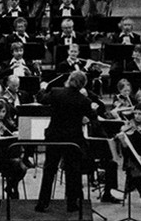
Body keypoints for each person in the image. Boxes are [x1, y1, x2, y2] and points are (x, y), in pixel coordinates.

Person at [35, 71, 97, 213]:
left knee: (49, 170)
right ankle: (71, 204)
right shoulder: (84, 100)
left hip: (54, 137)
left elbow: (41, 99)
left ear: (69, 80)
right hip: (73, 140)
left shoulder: (56, 92)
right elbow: (92, 116)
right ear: (83, 85)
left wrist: (42, 88)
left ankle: (42, 203)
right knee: (72, 171)